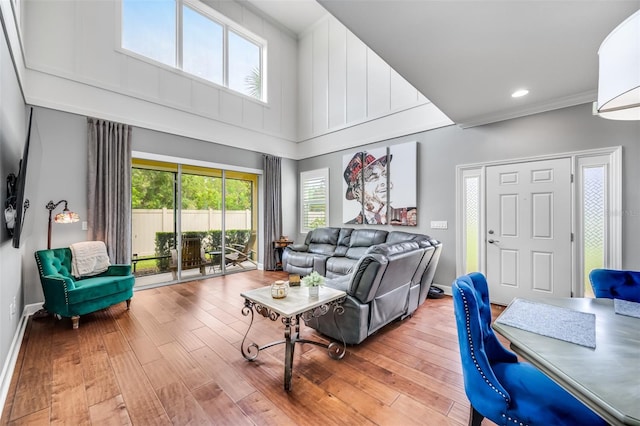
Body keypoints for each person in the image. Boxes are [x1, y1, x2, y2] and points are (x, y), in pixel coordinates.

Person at [343, 151, 392, 225]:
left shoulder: (408, 217)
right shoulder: (351, 227)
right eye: (374, 178)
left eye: (384, 175)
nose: (385, 182)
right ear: (358, 191)